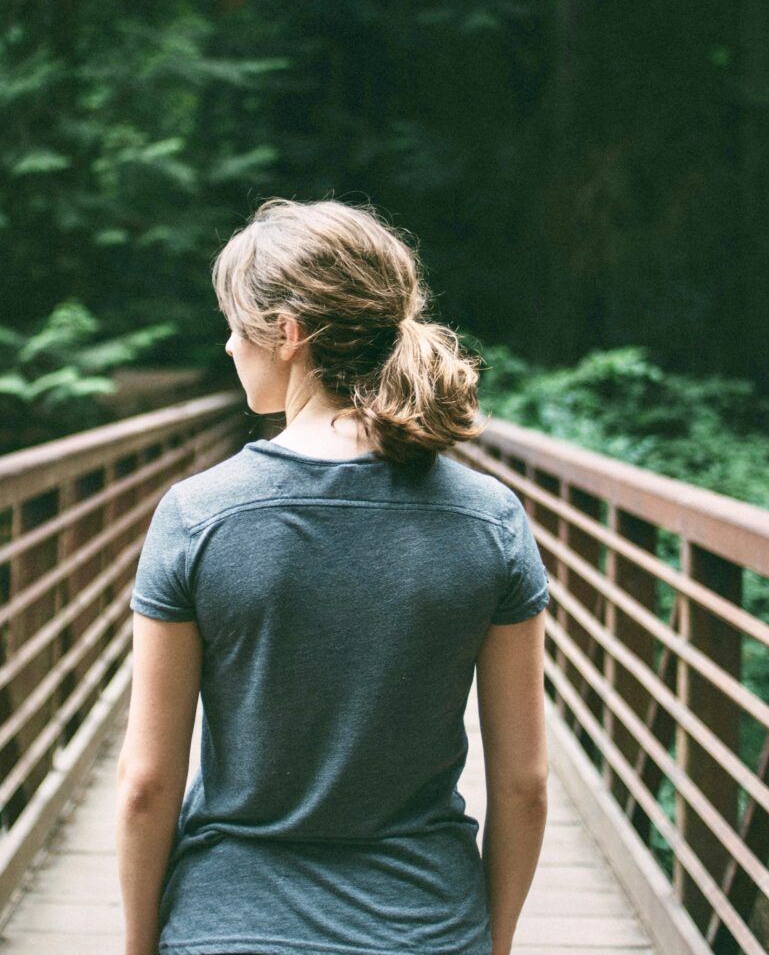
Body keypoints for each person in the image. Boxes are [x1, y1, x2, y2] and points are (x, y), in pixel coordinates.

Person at [115, 197, 553, 955]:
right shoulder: (490, 520)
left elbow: (147, 783)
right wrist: (493, 941)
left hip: (231, 928)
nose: (226, 347)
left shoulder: (198, 516)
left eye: (234, 324)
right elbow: (525, 785)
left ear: (286, 334)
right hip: (426, 926)